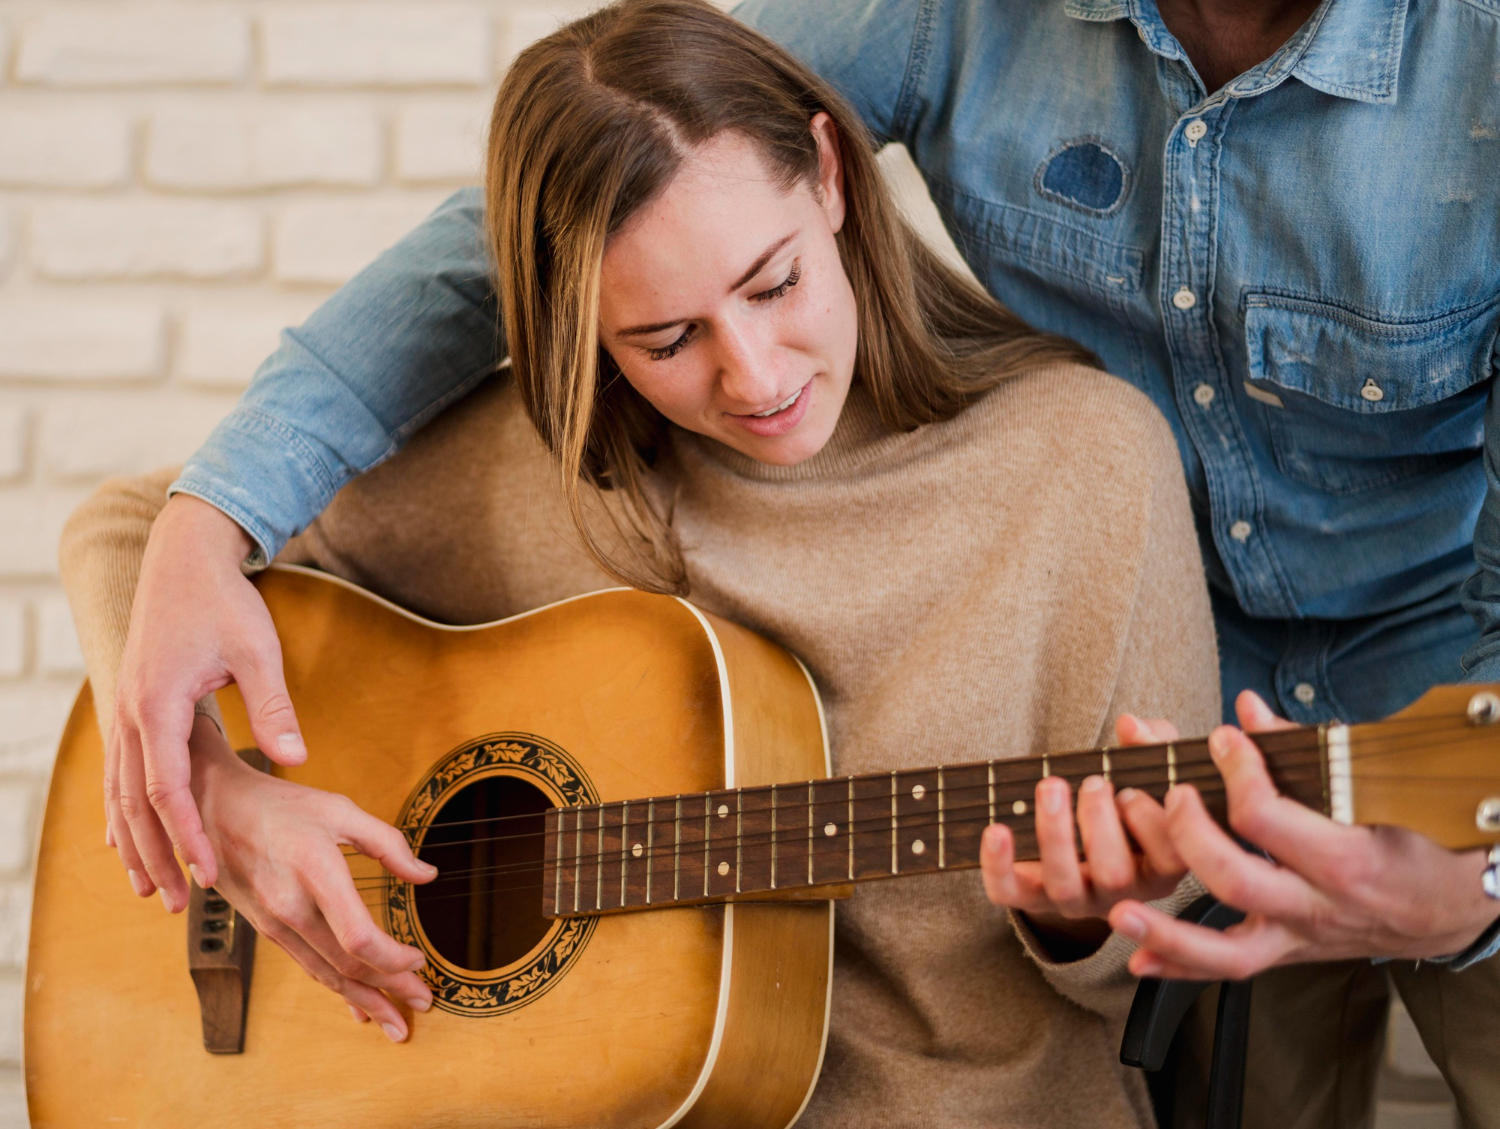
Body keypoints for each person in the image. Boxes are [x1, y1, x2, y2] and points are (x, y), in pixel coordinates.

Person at [78, 0, 1500, 1122]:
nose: (752, 373)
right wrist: (209, 793)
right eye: (664, 335)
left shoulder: (1075, 469)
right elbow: (134, 529)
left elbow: (1127, 983)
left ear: (830, 180)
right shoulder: (559, 457)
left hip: (1436, 695)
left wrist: (1085, 913)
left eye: (771, 286)